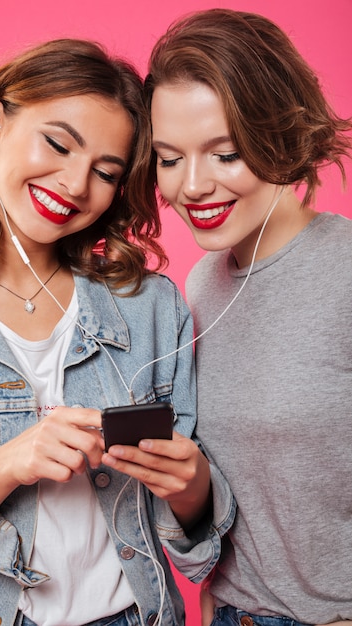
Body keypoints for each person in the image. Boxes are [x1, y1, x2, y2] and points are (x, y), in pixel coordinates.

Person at [0, 37, 225, 626]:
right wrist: (7, 466)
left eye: (105, 171)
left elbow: (193, 552)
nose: (73, 183)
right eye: (58, 144)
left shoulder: (150, 309)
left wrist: (194, 489)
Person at [144, 8, 352, 626]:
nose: (193, 186)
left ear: (278, 136)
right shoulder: (202, 284)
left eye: (225, 153)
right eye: (169, 158)